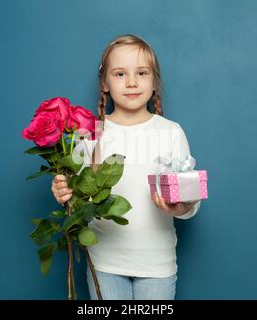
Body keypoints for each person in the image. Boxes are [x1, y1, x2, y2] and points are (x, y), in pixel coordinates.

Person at [51, 34, 202, 300]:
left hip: (157, 264)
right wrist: (63, 191)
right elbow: (77, 198)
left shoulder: (170, 133)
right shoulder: (91, 134)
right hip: (104, 262)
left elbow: (190, 200)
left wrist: (184, 206)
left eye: (142, 73)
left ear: (154, 81)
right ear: (105, 83)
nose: (132, 82)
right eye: (120, 74)